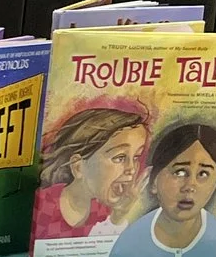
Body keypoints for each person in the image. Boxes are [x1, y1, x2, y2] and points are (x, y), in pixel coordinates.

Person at [106, 122, 216, 257]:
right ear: (153, 181)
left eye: (203, 174)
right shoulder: (130, 241)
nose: (190, 186)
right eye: (179, 172)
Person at [32, 106, 149, 249]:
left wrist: (118, 218)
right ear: (78, 167)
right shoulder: (44, 204)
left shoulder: (108, 211)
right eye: (119, 158)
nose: (132, 169)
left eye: (136, 157)